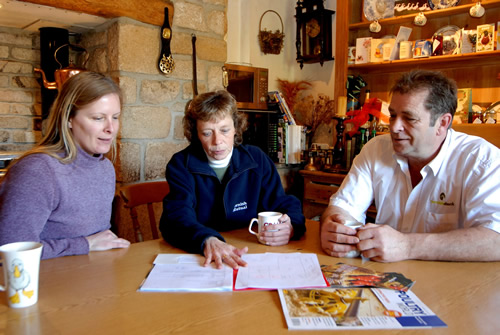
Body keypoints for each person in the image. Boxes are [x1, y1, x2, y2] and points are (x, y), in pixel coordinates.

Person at [320, 70, 500, 262]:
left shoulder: (482, 160)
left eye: (409, 118)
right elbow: (342, 207)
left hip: (457, 285)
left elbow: (495, 241)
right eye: (393, 115)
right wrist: (332, 227)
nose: (395, 127)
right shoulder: (375, 149)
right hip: (386, 279)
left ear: (442, 123)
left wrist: (407, 246)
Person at [160, 90, 306, 269]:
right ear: (196, 133)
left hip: (251, 254)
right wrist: (206, 239)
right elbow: (176, 217)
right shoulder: (180, 164)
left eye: (224, 130)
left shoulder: (256, 159)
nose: (217, 141)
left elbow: (283, 202)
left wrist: (291, 226)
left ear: (236, 127)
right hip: (204, 258)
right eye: (207, 133)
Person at [0, 71, 130, 259]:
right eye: (98, 118)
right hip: (45, 284)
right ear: (69, 118)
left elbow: (100, 242)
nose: (111, 128)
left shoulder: (105, 169)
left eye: (115, 117)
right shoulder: (37, 171)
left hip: (94, 280)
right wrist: (84, 244)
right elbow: (9, 249)